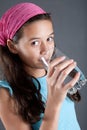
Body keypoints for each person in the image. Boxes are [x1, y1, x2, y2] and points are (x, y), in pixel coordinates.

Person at [0, 2, 81, 130]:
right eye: (35, 42)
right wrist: (53, 104)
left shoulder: (57, 77)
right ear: (12, 46)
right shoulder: (6, 93)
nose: (46, 50)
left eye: (49, 39)